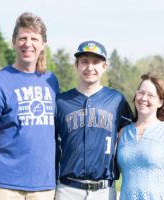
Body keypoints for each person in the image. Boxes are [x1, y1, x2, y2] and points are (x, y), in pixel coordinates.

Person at [0, 12, 59, 200]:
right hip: (5, 186)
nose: (28, 44)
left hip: (44, 186)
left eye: (34, 38)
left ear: (43, 44)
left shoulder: (51, 81)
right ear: (14, 42)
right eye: (22, 38)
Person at [55, 40, 134, 200]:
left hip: (104, 191)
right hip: (67, 189)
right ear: (76, 65)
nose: (90, 67)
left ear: (104, 66)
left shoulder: (116, 100)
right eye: (84, 61)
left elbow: (138, 131)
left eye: (96, 62)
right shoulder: (61, 101)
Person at [117, 72, 164, 200]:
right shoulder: (123, 133)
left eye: (150, 95)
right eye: (141, 93)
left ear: (160, 102)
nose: (144, 98)